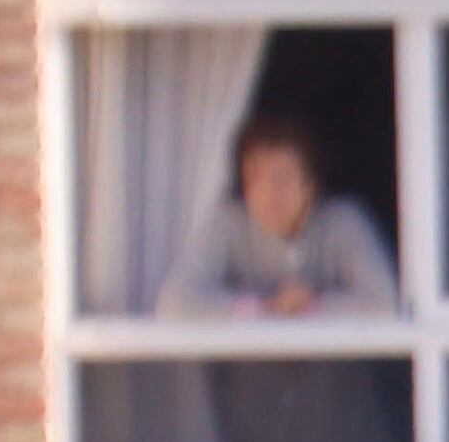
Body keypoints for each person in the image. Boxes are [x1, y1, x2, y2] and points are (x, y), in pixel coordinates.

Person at [159, 118, 401, 320]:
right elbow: (174, 302)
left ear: (310, 186)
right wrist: (263, 309)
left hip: (334, 376)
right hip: (249, 376)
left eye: (282, 180)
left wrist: (313, 307)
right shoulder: (228, 226)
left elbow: (385, 302)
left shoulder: (344, 223)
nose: (268, 195)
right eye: (255, 181)